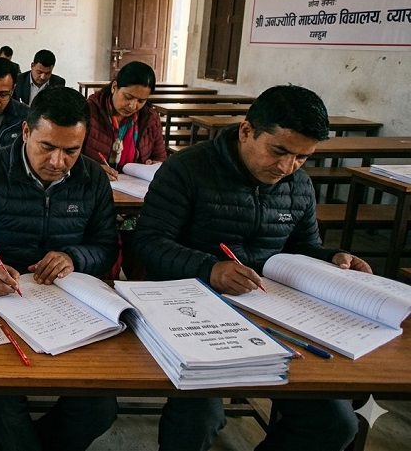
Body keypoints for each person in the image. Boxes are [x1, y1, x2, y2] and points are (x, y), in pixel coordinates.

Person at [134, 84, 369, 451]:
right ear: (246, 131)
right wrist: (210, 269)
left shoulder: (298, 186)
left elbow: (304, 247)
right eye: (279, 151)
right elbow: (148, 243)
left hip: (272, 312)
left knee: (335, 423)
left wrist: (333, 259)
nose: (286, 167)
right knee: (201, 417)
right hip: (192, 311)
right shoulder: (187, 169)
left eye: (302, 158)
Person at [0, 86, 118, 451]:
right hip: (0, 301)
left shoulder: (92, 178)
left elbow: (106, 246)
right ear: (25, 132)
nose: (58, 162)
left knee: (99, 407)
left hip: (70, 307)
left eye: (71, 150)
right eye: (46, 147)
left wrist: (74, 257)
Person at [84, 60, 166, 178]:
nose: (132, 106)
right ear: (114, 87)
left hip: (135, 188)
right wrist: (93, 168)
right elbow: (72, 156)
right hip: (94, 183)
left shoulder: (150, 119)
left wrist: (154, 165)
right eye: (128, 97)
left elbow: (160, 158)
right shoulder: (88, 112)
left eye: (141, 101)